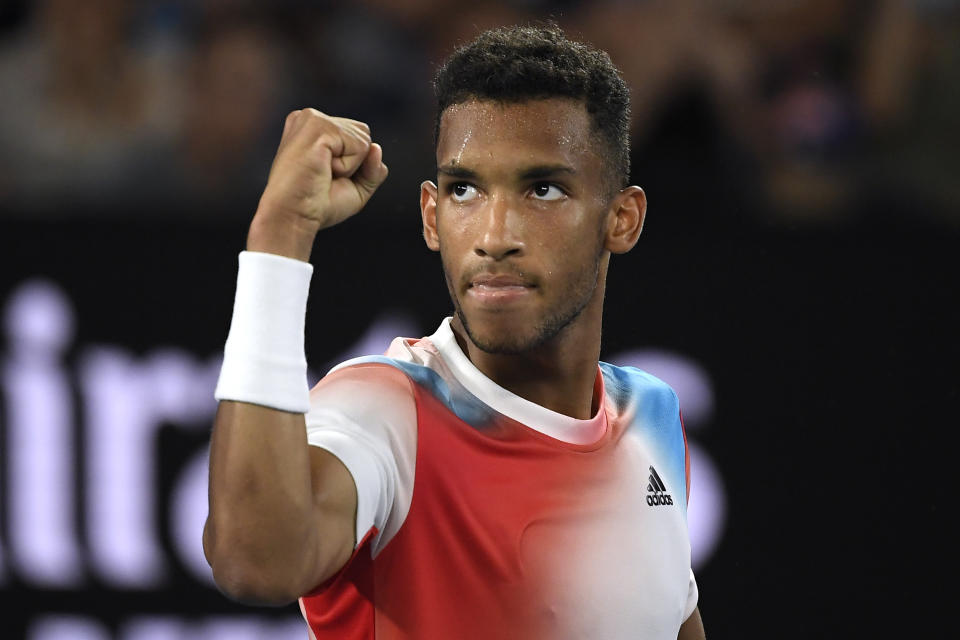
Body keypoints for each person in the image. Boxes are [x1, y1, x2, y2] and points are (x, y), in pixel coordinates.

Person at [204, 24, 706, 639]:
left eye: (543, 189)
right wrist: (279, 236)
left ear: (622, 220)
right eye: (465, 189)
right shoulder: (385, 409)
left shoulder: (653, 414)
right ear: (432, 216)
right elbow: (254, 562)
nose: (495, 237)